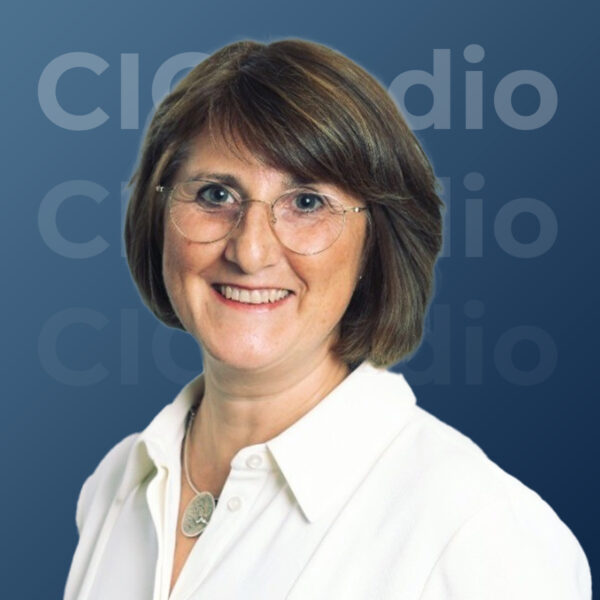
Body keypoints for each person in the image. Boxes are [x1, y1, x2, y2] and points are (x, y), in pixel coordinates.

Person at [64, 39, 591, 600]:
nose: (251, 251)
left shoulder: (479, 536)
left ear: (375, 243)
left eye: (307, 203)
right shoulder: (117, 484)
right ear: (159, 212)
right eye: (216, 194)